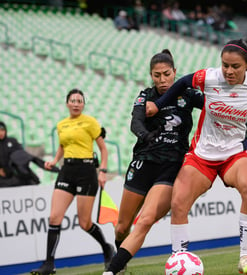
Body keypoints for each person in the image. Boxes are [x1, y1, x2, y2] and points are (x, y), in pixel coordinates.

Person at [146, 39, 247, 274]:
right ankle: (179, 260)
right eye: (225, 65)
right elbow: (181, 83)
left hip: (234, 152)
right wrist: (159, 104)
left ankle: (245, 258)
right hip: (203, 154)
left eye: (235, 67)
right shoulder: (208, 77)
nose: (229, 71)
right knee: (179, 202)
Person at [103, 50, 203, 275]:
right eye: (157, 75)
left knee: (145, 220)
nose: (162, 80)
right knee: (121, 228)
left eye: (166, 74)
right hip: (144, 162)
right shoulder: (145, 96)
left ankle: (112, 271)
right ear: (151, 75)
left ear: (174, 72)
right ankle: (121, 257)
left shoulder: (187, 94)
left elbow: (211, 105)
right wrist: (146, 135)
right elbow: (135, 122)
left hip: (171, 166)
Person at [31, 89, 113, 275]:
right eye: (73, 100)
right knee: (54, 217)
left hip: (86, 172)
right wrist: (54, 160)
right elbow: (62, 146)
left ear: (83, 104)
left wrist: (103, 171)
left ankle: (107, 249)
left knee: (85, 223)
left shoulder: (90, 122)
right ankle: (49, 264)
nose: (76, 103)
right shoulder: (61, 125)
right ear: (67, 103)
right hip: (66, 171)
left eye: (79, 101)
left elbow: (103, 149)